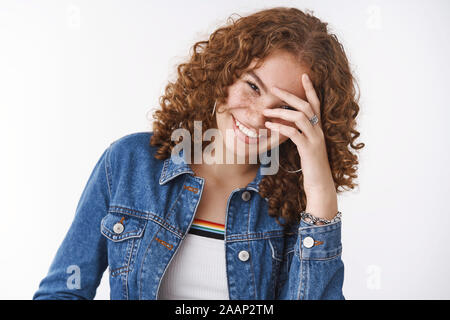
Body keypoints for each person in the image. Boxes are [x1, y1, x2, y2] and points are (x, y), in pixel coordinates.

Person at [33, 6, 364, 300]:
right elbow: (62, 292)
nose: (257, 116)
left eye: (285, 108)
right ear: (224, 73)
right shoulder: (128, 162)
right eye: (252, 86)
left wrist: (321, 192)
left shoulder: (302, 207)